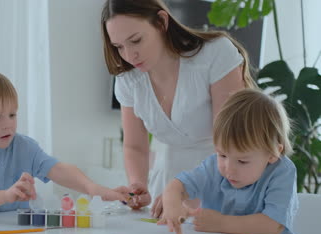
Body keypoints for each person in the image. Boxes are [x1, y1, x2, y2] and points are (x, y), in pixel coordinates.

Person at [101, 0, 256, 217]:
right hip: (168, 182)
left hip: (224, 177)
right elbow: (135, 146)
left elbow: (229, 141)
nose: (129, 55)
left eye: (136, 40)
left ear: (161, 22)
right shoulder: (128, 80)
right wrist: (137, 186)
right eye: (119, 46)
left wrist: (182, 189)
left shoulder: (214, 54)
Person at [0, 69, 128, 214]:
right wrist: (6, 196)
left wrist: (91, 187)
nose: (8, 125)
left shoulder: (25, 147)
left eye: (12, 115)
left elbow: (58, 169)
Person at [158, 89, 298, 234]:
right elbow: (177, 186)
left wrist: (221, 223)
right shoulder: (213, 166)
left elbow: (273, 225)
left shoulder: (282, 172)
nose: (228, 169)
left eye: (242, 161)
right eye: (222, 155)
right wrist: (172, 204)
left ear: (273, 154)